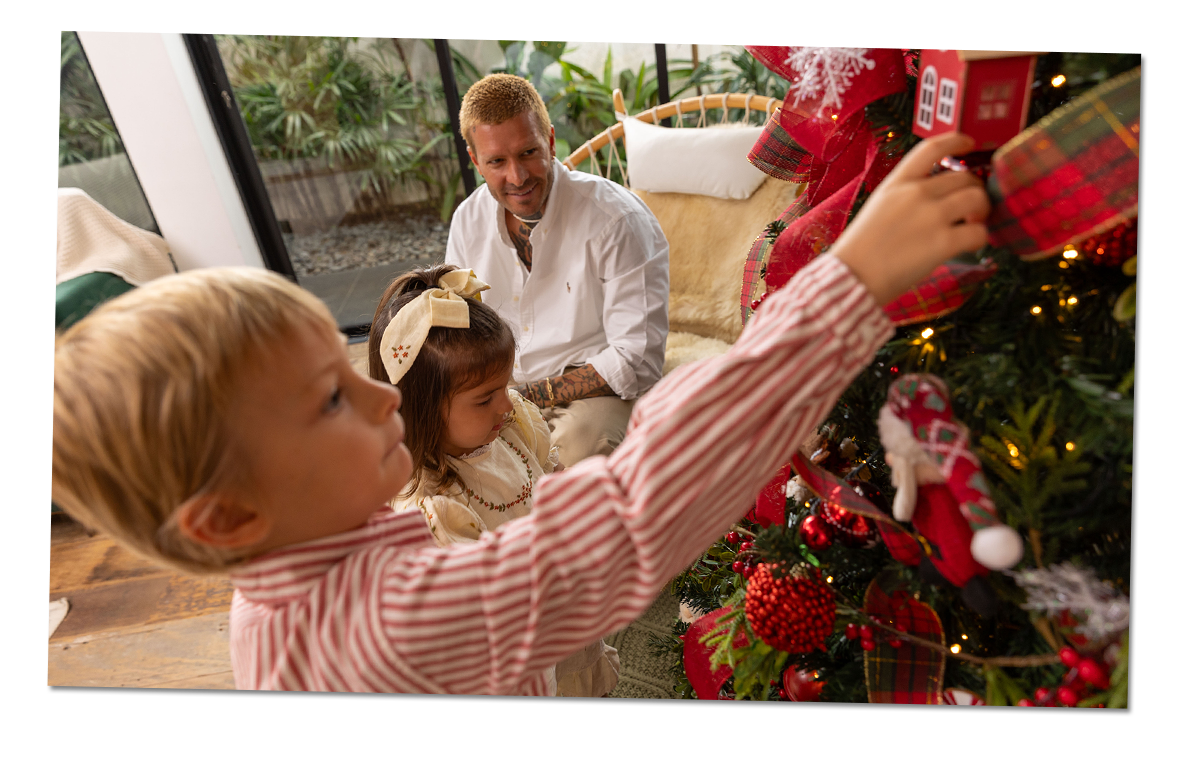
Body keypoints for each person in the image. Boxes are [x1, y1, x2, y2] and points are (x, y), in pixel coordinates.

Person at [49, 133, 990, 710]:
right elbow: (624, 521)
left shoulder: (281, 587)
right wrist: (845, 289)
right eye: (331, 398)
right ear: (226, 516)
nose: (384, 396)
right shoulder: (380, 621)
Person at [365, 264, 620, 703]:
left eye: (505, 385)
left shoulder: (512, 424)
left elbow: (550, 480)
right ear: (422, 409)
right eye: (485, 398)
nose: (506, 404)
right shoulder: (431, 510)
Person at [444, 74, 670, 468]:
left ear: (549, 141)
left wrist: (526, 397)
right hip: (505, 388)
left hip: (599, 392)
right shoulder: (467, 220)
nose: (517, 177)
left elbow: (637, 359)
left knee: (576, 455)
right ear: (475, 159)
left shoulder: (618, 220)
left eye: (528, 152)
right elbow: (460, 327)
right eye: (497, 161)